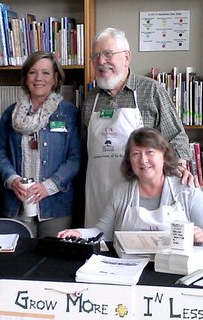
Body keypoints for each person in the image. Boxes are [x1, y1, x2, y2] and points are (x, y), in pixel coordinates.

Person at [83, 27, 194, 225]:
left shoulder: (151, 90)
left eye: (108, 54)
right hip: (98, 195)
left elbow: (176, 136)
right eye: (96, 56)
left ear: (126, 57)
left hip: (141, 197)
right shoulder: (91, 99)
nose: (101, 62)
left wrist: (179, 168)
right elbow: (84, 148)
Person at [58, 128, 203, 245]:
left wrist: (202, 238)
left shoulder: (186, 189)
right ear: (129, 160)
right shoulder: (120, 192)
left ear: (164, 155)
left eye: (150, 152)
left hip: (174, 271)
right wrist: (78, 233)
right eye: (136, 154)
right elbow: (102, 232)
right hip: (129, 271)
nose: (143, 160)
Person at [0, 51, 82, 237]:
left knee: (52, 261)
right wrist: (12, 179)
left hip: (55, 205)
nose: (38, 78)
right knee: (17, 258)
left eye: (45, 73)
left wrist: (48, 186)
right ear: (26, 77)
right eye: (33, 72)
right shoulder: (10, 114)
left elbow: (76, 157)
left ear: (55, 78)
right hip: (15, 203)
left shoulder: (69, 113)